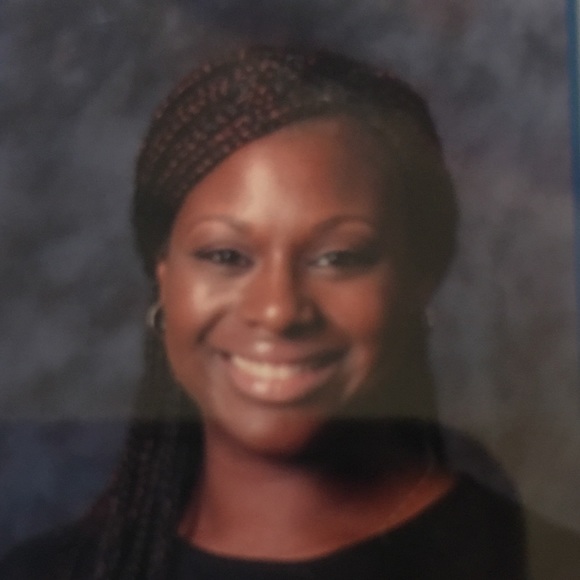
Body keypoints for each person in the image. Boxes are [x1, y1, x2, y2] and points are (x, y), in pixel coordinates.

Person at [0, 45, 526, 579]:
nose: (278, 310)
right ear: (164, 278)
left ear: (418, 280)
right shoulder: (50, 572)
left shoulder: (533, 563)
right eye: (225, 256)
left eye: (337, 258)